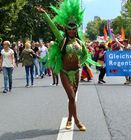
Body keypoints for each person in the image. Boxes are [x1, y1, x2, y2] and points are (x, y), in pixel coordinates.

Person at [36, 0, 99, 131]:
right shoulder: (62, 39)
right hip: (64, 72)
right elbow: (52, 26)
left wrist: (80, 65)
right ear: (66, 29)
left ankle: (69, 119)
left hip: (76, 72)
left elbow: (85, 56)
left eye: (73, 28)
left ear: (76, 29)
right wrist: (44, 14)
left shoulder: (80, 43)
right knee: (71, 96)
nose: (71, 31)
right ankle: (77, 121)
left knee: (72, 99)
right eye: (69, 29)